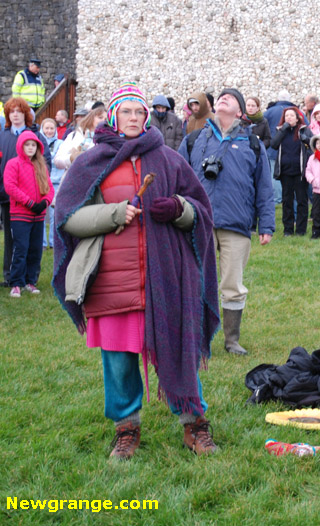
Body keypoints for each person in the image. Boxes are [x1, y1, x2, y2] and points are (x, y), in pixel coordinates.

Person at [53, 82, 220, 459]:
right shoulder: (91, 162)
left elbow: (201, 209)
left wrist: (179, 209)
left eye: (139, 112)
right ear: (112, 116)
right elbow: (67, 219)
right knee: (117, 360)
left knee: (179, 349)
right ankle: (126, 428)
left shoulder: (169, 159)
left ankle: (195, 423)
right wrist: (113, 213)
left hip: (164, 278)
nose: (133, 118)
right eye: (126, 111)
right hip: (112, 280)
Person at [178, 87, 274, 356]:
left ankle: (231, 340)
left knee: (232, 284)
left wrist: (266, 225)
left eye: (231, 98)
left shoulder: (253, 144)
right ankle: (197, 339)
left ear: (241, 111)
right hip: (200, 222)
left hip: (237, 223)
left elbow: (264, 187)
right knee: (197, 281)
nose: (223, 97)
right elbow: (177, 178)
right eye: (221, 96)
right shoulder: (193, 139)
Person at [0, 98, 52, 287]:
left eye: (18, 111)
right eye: (11, 111)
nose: (15, 114)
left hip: (33, 200)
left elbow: (45, 162)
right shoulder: (2, 135)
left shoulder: (36, 136)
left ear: (25, 114)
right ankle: (10, 276)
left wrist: (42, 196)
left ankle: (30, 278)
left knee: (31, 243)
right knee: (11, 239)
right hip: (8, 195)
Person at [270, 107, 313, 236]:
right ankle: (288, 229)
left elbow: (314, 144)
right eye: (286, 116)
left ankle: (301, 230)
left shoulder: (304, 130)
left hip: (300, 171)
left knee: (301, 201)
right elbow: (274, 144)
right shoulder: (280, 130)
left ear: (297, 117)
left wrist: (305, 138)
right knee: (287, 201)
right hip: (285, 172)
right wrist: (283, 130)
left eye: (291, 115)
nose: (289, 118)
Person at [54, 107, 107, 193]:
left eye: (106, 119)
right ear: (91, 118)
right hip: (72, 185)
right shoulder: (74, 135)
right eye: (100, 117)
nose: (103, 121)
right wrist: (71, 158)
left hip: (96, 187)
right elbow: (57, 161)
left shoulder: (108, 139)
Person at [39, 118, 64, 248]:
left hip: (56, 183)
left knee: (55, 215)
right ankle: (42, 242)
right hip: (42, 182)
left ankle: (54, 242)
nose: (49, 131)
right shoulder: (38, 143)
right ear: (42, 129)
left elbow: (60, 160)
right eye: (46, 128)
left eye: (51, 128)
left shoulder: (61, 143)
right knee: (42, 214)